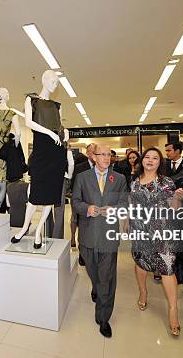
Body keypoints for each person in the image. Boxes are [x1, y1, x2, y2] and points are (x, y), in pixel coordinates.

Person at [72, 144, 128, 338]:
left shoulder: (119, 179)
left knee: (107, 277)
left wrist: (114, 210)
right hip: (88, 235)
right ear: (94, 157)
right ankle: (96, 287)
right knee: (93, 271)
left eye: (109, 155)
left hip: (109, 236)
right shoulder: (82, 178)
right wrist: (87, 208)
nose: (106, 157)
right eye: (102, 154)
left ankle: (103, 317)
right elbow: (76, 201)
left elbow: (124, 203)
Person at [129, 147, 183, 336]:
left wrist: (178, 198)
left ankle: (173, 310)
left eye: (155, 158)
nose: (150, 160)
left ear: (160, 162)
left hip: (163, 232)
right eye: (147, 157)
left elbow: (174, 207)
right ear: (142, 160)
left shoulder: (166, 182)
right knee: (141, 262)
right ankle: (143, 292)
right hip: (140, 230)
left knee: (167, 268)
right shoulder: (135, 182)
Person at [70, 142, 97, 264]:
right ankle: (83, 255)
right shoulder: (79, 168)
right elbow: (74, 186)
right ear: (88, 153)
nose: (96, 154)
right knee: (84, 229)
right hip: (84, 204)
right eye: (93, 151)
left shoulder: (103, 166)